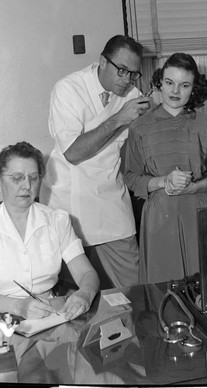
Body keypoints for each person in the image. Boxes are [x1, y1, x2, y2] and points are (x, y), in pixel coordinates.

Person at [39, 35, 151, 289]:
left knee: (135, 289)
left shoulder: (134, 95)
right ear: (102, 61)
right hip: (69, 202)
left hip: (110, 202)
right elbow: (73, 153)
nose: (127, 80)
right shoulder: (69, 89)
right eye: (122, 71)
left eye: (133, 74)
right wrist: (120, 118)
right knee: (71, 294)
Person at [0, 141, 99, 321]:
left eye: (33, 178)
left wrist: (85, 294)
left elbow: (87, 273)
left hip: (50, 315)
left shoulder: (57, 220)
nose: (27, 186)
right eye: (17, 178)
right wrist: (18, 306)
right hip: (1, 319)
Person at [124, 53, 207, 284]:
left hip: (198, 211)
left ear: (194, 89)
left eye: (184, 85)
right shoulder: (140, 126)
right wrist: (163, 181)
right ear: (160, 82)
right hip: (160, 216)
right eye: (170, 82)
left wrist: (193, 188)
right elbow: (131, 177)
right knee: (163, 291)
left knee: (206, 290)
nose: (175, 91)